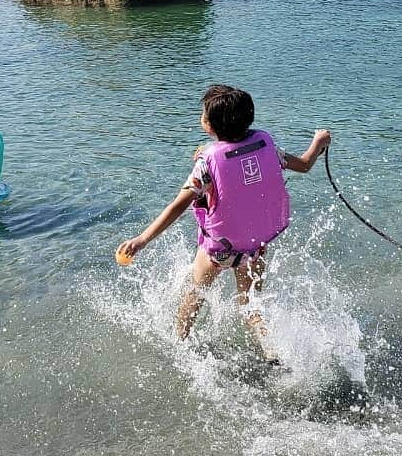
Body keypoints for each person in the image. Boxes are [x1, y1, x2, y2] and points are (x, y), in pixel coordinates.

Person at [117, 84, 331, 362]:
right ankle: (270, 351)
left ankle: (178, 343)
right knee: (251, 305)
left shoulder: (207, 163)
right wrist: (319, 141)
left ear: (209, 125)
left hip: (219, 250)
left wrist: (142, 239)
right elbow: (304, 164)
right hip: (256, 246)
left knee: (194, 295)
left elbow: (178, 205)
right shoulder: (265, 146)